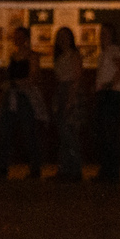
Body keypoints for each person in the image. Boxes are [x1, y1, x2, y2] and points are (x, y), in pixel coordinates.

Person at [0, 22, 45, 178]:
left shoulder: (32, 56)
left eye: (20, 37)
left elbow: (33, 78)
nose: (17, 39)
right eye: (15, 37)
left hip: (25, 96)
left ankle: (35, 167)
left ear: (26, 39)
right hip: (11, 95)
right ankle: (3, 167)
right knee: (6, 131)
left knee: (28, 131)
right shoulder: (13, 56)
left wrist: (14, 83)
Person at [49, 25, 87, 181]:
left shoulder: (74, 55)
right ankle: (64, 169)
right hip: (61, 91)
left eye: (65, 37)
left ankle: (75, 170)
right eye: (60, 37)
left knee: (70, 133)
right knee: (63, 133)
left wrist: (70, 99)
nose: (63, 40)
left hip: (71, 92)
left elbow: (77, 78)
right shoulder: (59, 57)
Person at [91, 32, 120, 183]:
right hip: (106, 92)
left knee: (109, 133)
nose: (102, 37)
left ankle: (111, 172)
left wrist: (110, 84)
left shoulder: (114, 50)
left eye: (106, 34)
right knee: (105, 133)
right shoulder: (104, 53)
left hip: (111, 93)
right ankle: (107, 171)